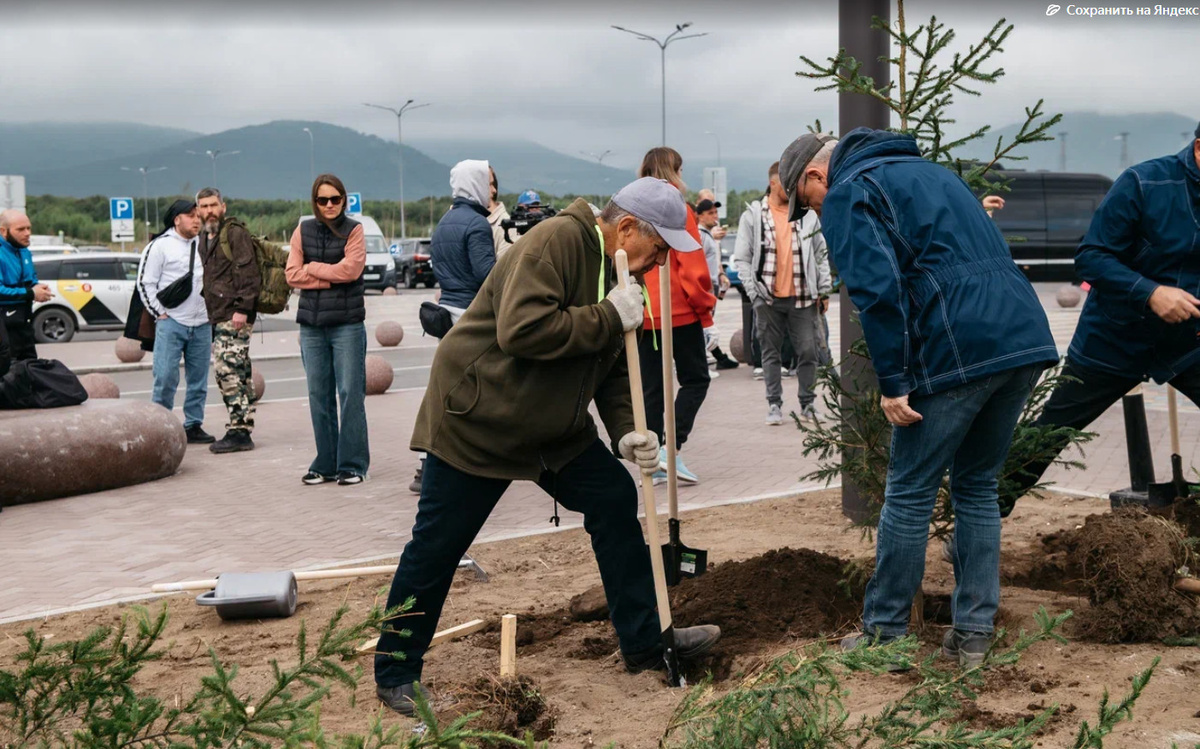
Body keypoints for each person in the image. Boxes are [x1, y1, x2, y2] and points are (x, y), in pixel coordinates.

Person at [374, 177, 722, 716]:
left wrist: (629, 430)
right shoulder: (559, 240)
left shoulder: (617, 269)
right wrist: (608, 315)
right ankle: (395, 671)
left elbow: (607, 366)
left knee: (611, 496)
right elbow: (522, 330)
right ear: (625, 227)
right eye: (657, 249)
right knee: (438, 546)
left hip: (551, 428)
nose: (658, 265)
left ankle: (647, 644)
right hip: (480, 419)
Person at [780, 129, 1058, 668]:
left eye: (806, 204)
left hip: (958, 346)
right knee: (977, 486)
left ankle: (885, 636)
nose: (813, 214)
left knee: (908, 491)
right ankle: (974, 633)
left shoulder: (849, 191)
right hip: (1023, 337)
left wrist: (894, 379)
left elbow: (877, 290)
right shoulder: (935, 174)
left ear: (815, 176)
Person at [1004, 122, 1200, 517]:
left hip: (1186, 343)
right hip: (1113, 337)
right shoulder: (1145, 182)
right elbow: (1091, 256)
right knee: (1047, 436)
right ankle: (979, 516)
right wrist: (1150, 292)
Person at [637, 147, 717, 485]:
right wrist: (705, 307)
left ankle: (654, 461)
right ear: (674, 170)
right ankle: (673, 448)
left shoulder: (631, 208)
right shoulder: (678, 209)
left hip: (644, 312)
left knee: (652, 389)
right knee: (696, 379)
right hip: (680, 311)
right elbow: (691, 265)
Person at [731, 162, 831, 426]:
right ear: (773, 183)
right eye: (785, 183)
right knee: (770, 353)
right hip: (768, 299)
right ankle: (774, 405)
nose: (791, 188)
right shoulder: (754, 215)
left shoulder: (806, 215)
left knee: (808, 352)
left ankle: (808, 404)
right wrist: (755, 293)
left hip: (803, 297)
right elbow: (741, 258)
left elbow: (821, 253)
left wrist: (824, 289)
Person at [285, 174, 369, 486]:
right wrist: (329, 276)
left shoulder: (355, 230)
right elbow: (292, 274)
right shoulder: (302, 230)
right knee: (318, 395)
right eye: (323, 200)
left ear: (344, 200)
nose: (330, 205)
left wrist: (314, 268)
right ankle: (325, 464)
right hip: (311, 327)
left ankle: (353, 464)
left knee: (350, 394)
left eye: (335, 199)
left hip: (347, 325)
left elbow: (352, 270)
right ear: (315, 202)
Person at [136, 200, 214, 444]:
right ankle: (161, 426)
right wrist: (160, 313)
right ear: (176, 219)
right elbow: (145, 283)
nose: (196, 220)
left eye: (197, 215)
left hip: (202, 323)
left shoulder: (206, 243)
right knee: (166, 376)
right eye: (190, 216)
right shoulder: (159, 246)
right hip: (172, 322)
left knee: (199, 380)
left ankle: (193, 424)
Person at [196, 187, 260, 453]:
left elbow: (249, 272)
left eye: (213, 205)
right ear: (198, 210)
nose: (209, 210)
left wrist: (242, 309)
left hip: (234, 314)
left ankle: (239, 431)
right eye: (204, 206)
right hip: (219, 313)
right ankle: (242, 427)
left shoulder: (235, 233)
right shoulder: (206, 237)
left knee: (227, 370)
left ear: (223, 206)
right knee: (239, 371)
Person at [431, 160, 496, 323]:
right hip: (471, 313)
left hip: (446, 310)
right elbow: (487, 275)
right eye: (489, 184)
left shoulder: (444, 221)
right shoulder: (477, 222)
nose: (494, 191)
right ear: (475, 184)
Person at [0, 210, 52, 362]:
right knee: (8, 373)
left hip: (24, 322)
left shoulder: (24, 251)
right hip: (4, 325)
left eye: (28, 228)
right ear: (3, 231)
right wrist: (31, 293)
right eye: (21, 229)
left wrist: (39, 288)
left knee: (29, 368)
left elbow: (31, 280)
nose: (27, 233)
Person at [695, 198, 738, 371]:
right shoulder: (702, 236)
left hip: (712, 284)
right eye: (710, 213)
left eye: (716, 212)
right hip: (705, 286)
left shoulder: (708, 236)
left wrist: (720, 274)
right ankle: (710, 360)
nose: (715, 216)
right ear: (700, 216)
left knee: (707, 325)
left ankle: (717, 357)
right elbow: (698, 262)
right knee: (705, 326)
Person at [486, 167, 515, 258]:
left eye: (492, 184)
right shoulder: (456, 220)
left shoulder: (508, 227)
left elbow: (505, 269)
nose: (493, 190)